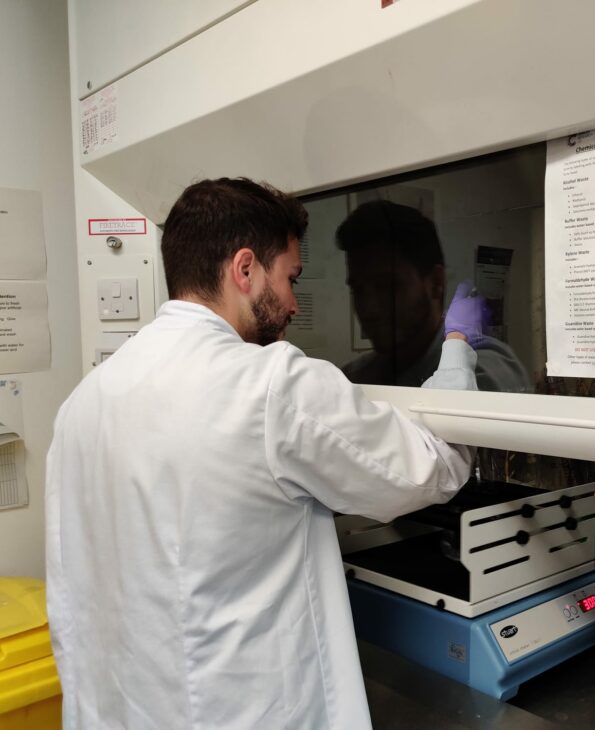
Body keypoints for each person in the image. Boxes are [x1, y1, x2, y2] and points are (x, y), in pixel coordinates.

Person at [45, 178, 484, 729]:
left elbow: (72, 595)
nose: (296, 303)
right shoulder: (270, 384)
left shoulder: (83, 403)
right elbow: (430, 469)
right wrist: (459, 350)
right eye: (292, 277)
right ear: (245, 269)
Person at [336, 199, 532, 393]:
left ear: (436, 284)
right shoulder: (355, 378)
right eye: (358, 289)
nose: (370, 308)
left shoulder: (484, 368)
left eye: (387, 286)